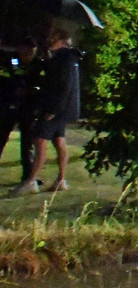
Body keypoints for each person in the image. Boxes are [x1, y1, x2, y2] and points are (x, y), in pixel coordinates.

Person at [11, 29, 81, 194]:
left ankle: (31, 180)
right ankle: (61, 179)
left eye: (54, 38)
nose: (50, 40)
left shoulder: (64, 60)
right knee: (59, 141)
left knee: (40, 140)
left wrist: (52, 110)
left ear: (63, 40)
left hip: (55, 108)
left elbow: (63, 86)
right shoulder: (65, 58)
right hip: (62, 108)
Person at [0, 37, 40, 184]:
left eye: (31, 53)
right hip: (9, 105)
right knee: (1, 137)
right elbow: (8, 79)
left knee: (28, 143)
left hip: (28, 107)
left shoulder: (38, 64)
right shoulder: (11, 60)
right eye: (26, 52)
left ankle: (28, 175)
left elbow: (39, 83)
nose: (28, 55)